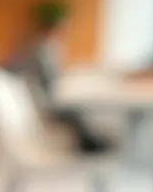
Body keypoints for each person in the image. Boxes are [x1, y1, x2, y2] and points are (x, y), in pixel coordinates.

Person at [19, 15, 109, 154]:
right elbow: (50, 79)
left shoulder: (47, 48)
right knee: (76, 112)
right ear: (53, 30)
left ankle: (90, 143)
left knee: (78, 111)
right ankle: (88, 145)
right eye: (62, 29)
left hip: (46, 98)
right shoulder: (43, 50)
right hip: (46, 102)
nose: (65, 33)